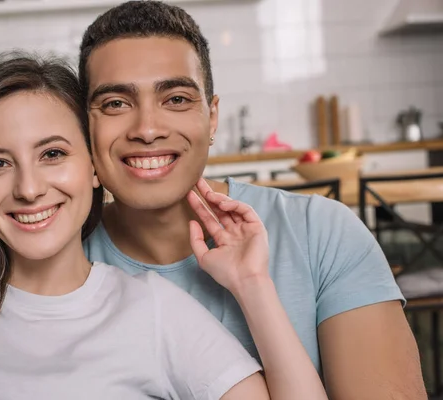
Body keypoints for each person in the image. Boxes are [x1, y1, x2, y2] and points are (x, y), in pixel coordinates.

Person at [0, 55, 327, 400]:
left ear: (94, 167)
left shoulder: (153, 311)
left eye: (52, 154)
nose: (29, 188)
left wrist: (252, 284)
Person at [79, 1, 427, 398]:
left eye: (176, 99)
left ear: (211, 118)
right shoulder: (56, 265)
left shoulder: (323, 234)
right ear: (84, 127)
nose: (147, 129)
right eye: (115, 104)